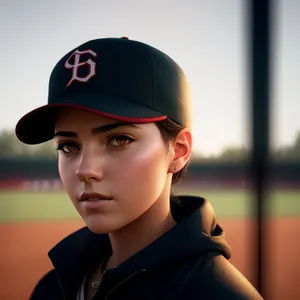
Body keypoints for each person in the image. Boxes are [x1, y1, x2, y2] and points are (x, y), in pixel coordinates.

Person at [15, 37, 262, 300]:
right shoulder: (52, 288)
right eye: (68, 146)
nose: (85, 170)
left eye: (119, 139)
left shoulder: (220, 295)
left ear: (179, 150)